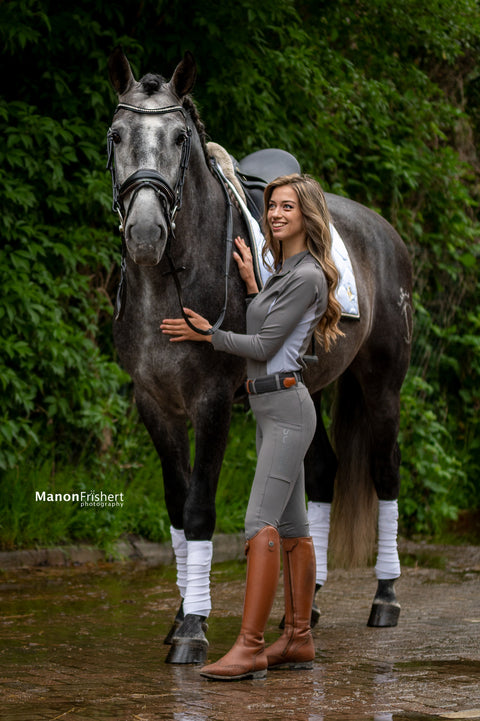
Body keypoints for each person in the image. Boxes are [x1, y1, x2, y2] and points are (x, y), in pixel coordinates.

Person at [160, 173, 343, 681]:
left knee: (257, 523)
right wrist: (251, 284)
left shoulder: (306, 275)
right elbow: (270, 325)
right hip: (271, 409)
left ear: (308, 214)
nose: (276, 214)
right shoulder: (286, 273)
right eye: (272, 207)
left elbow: (262, 346)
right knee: (291, 529)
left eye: (288, 207)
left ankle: (250, 646)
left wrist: (208, 334)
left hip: (286, 408)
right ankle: (299, 639)